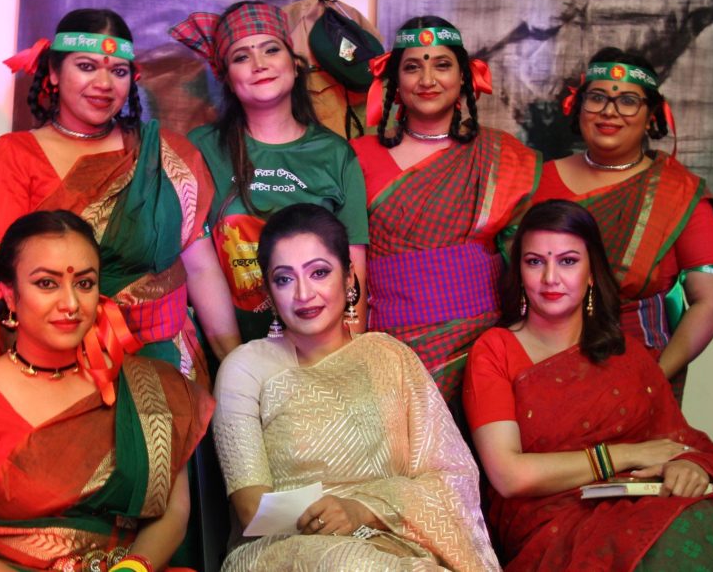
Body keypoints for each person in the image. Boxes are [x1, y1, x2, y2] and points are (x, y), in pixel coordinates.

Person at [463, 200, 713, 571]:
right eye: (535, 262)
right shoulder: (495, 351)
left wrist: (688, 467)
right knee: (646, 539)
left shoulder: (624, 353)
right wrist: (625, 455)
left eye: (568, 261)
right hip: (552, 522)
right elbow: (510, 476)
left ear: (591, 273)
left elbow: (678, 443)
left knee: (695, 517)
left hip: (645, 500)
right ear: (520, 272)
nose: (550, 278)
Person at [0, 210, 214, 571]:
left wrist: (134, 567)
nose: (71, 304)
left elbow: (173, 513)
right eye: (47, 284)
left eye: (85, 284)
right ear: (9, 295)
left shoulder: (148, 388)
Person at [213, 203, 500, 571]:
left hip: (397, 543)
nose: (303, 293)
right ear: (268, 289)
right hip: (286, 552)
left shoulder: (390, 357)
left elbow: (452, 477)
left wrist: (362, 510)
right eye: (284, 279)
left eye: (319, 272)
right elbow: (253, 509)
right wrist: (333, 517)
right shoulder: (246, 368)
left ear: (349, 278)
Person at [0, 8, 239, 380]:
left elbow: (200, 268)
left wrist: (236, 370)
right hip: (58, 363)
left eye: (118, 71)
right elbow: (4, 272)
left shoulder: (164, 154)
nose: (104, 83)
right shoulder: (15, 155)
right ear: (53, 72)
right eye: (87, 67)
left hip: (163, 361)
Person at [350, 16, 539, 403]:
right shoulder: (357, 157)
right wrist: (353, 347)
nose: (427, 79)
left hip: (484, 347)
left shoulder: (503, 156)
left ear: (464, 76)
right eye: (412, 67)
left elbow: (527, 259)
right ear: (395, 79)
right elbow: (349, 265)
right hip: (388, 348)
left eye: (441, 65)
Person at [532, 48, 713, 402]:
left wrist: (653, 378)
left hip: (638, 372)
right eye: (597, 98)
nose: (609, 111)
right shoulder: (536, 180)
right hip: (538, 364)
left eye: (628, 101)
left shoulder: (677, 192)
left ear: (652, 114)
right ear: (578, 107)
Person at [171, 1, 369, 344]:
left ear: (294, 64)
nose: (259, 64)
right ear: (227, 78)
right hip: (233, 349)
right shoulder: (199, 150)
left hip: (323, 351)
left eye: (271, 50)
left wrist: (344, 358)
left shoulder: (336, 154)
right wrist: (237, 363)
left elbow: (354, 271)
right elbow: (198, 267)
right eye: (241, 57)